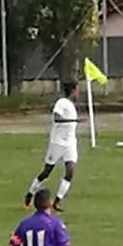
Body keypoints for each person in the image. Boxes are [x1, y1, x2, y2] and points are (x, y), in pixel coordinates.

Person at [23, 82, 79, 212]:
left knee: (70, 171)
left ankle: (57, 201)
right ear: (72, 91)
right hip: (57, 142)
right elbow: (56, 117)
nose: (78, 93)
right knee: (47, 171)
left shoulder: (71, 105)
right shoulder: (62, 102)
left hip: (70, 142)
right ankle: (30, 194)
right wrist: (71, 121)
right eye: (76, 90)